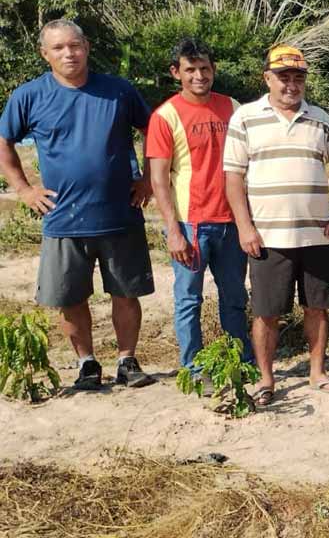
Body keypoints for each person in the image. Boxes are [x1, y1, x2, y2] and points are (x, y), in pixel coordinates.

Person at [0, 19, 155, 390]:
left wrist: (148, 179)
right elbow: (4, 143)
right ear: (45, 54)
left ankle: (127, 360)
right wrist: (24, 189)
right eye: (58, 48)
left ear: (86, 46)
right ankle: (86, 363)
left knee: (125, 292)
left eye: (75, 45)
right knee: (69, 297)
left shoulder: (118, 91)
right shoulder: (29, 96)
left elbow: (154, 130)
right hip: (63, 218)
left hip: (119, 213)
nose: (68, 53)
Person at [223, 44, 329, 405]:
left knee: (318, 307)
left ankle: (317, 373)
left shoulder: (322, 119)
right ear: (267, 78)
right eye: (283, 77)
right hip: (267, 237)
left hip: (317, 236)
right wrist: (244, 226)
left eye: (298, 78)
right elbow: (233, 176)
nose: (291, 85)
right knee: (266, 311)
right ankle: (267, 379)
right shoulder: (246, 118)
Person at [147, 38, 253, 372]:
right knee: (189, 301)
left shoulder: (233, 107)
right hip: (191, 224)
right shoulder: (165, 116)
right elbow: (159, 179)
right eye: (190, 69)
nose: (199, 76)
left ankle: (241, 361)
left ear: (214, 70)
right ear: (175, 72)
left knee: (235, 299)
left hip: (232, 223)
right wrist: (173, 230)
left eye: (204, 68)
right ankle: (193, 369)